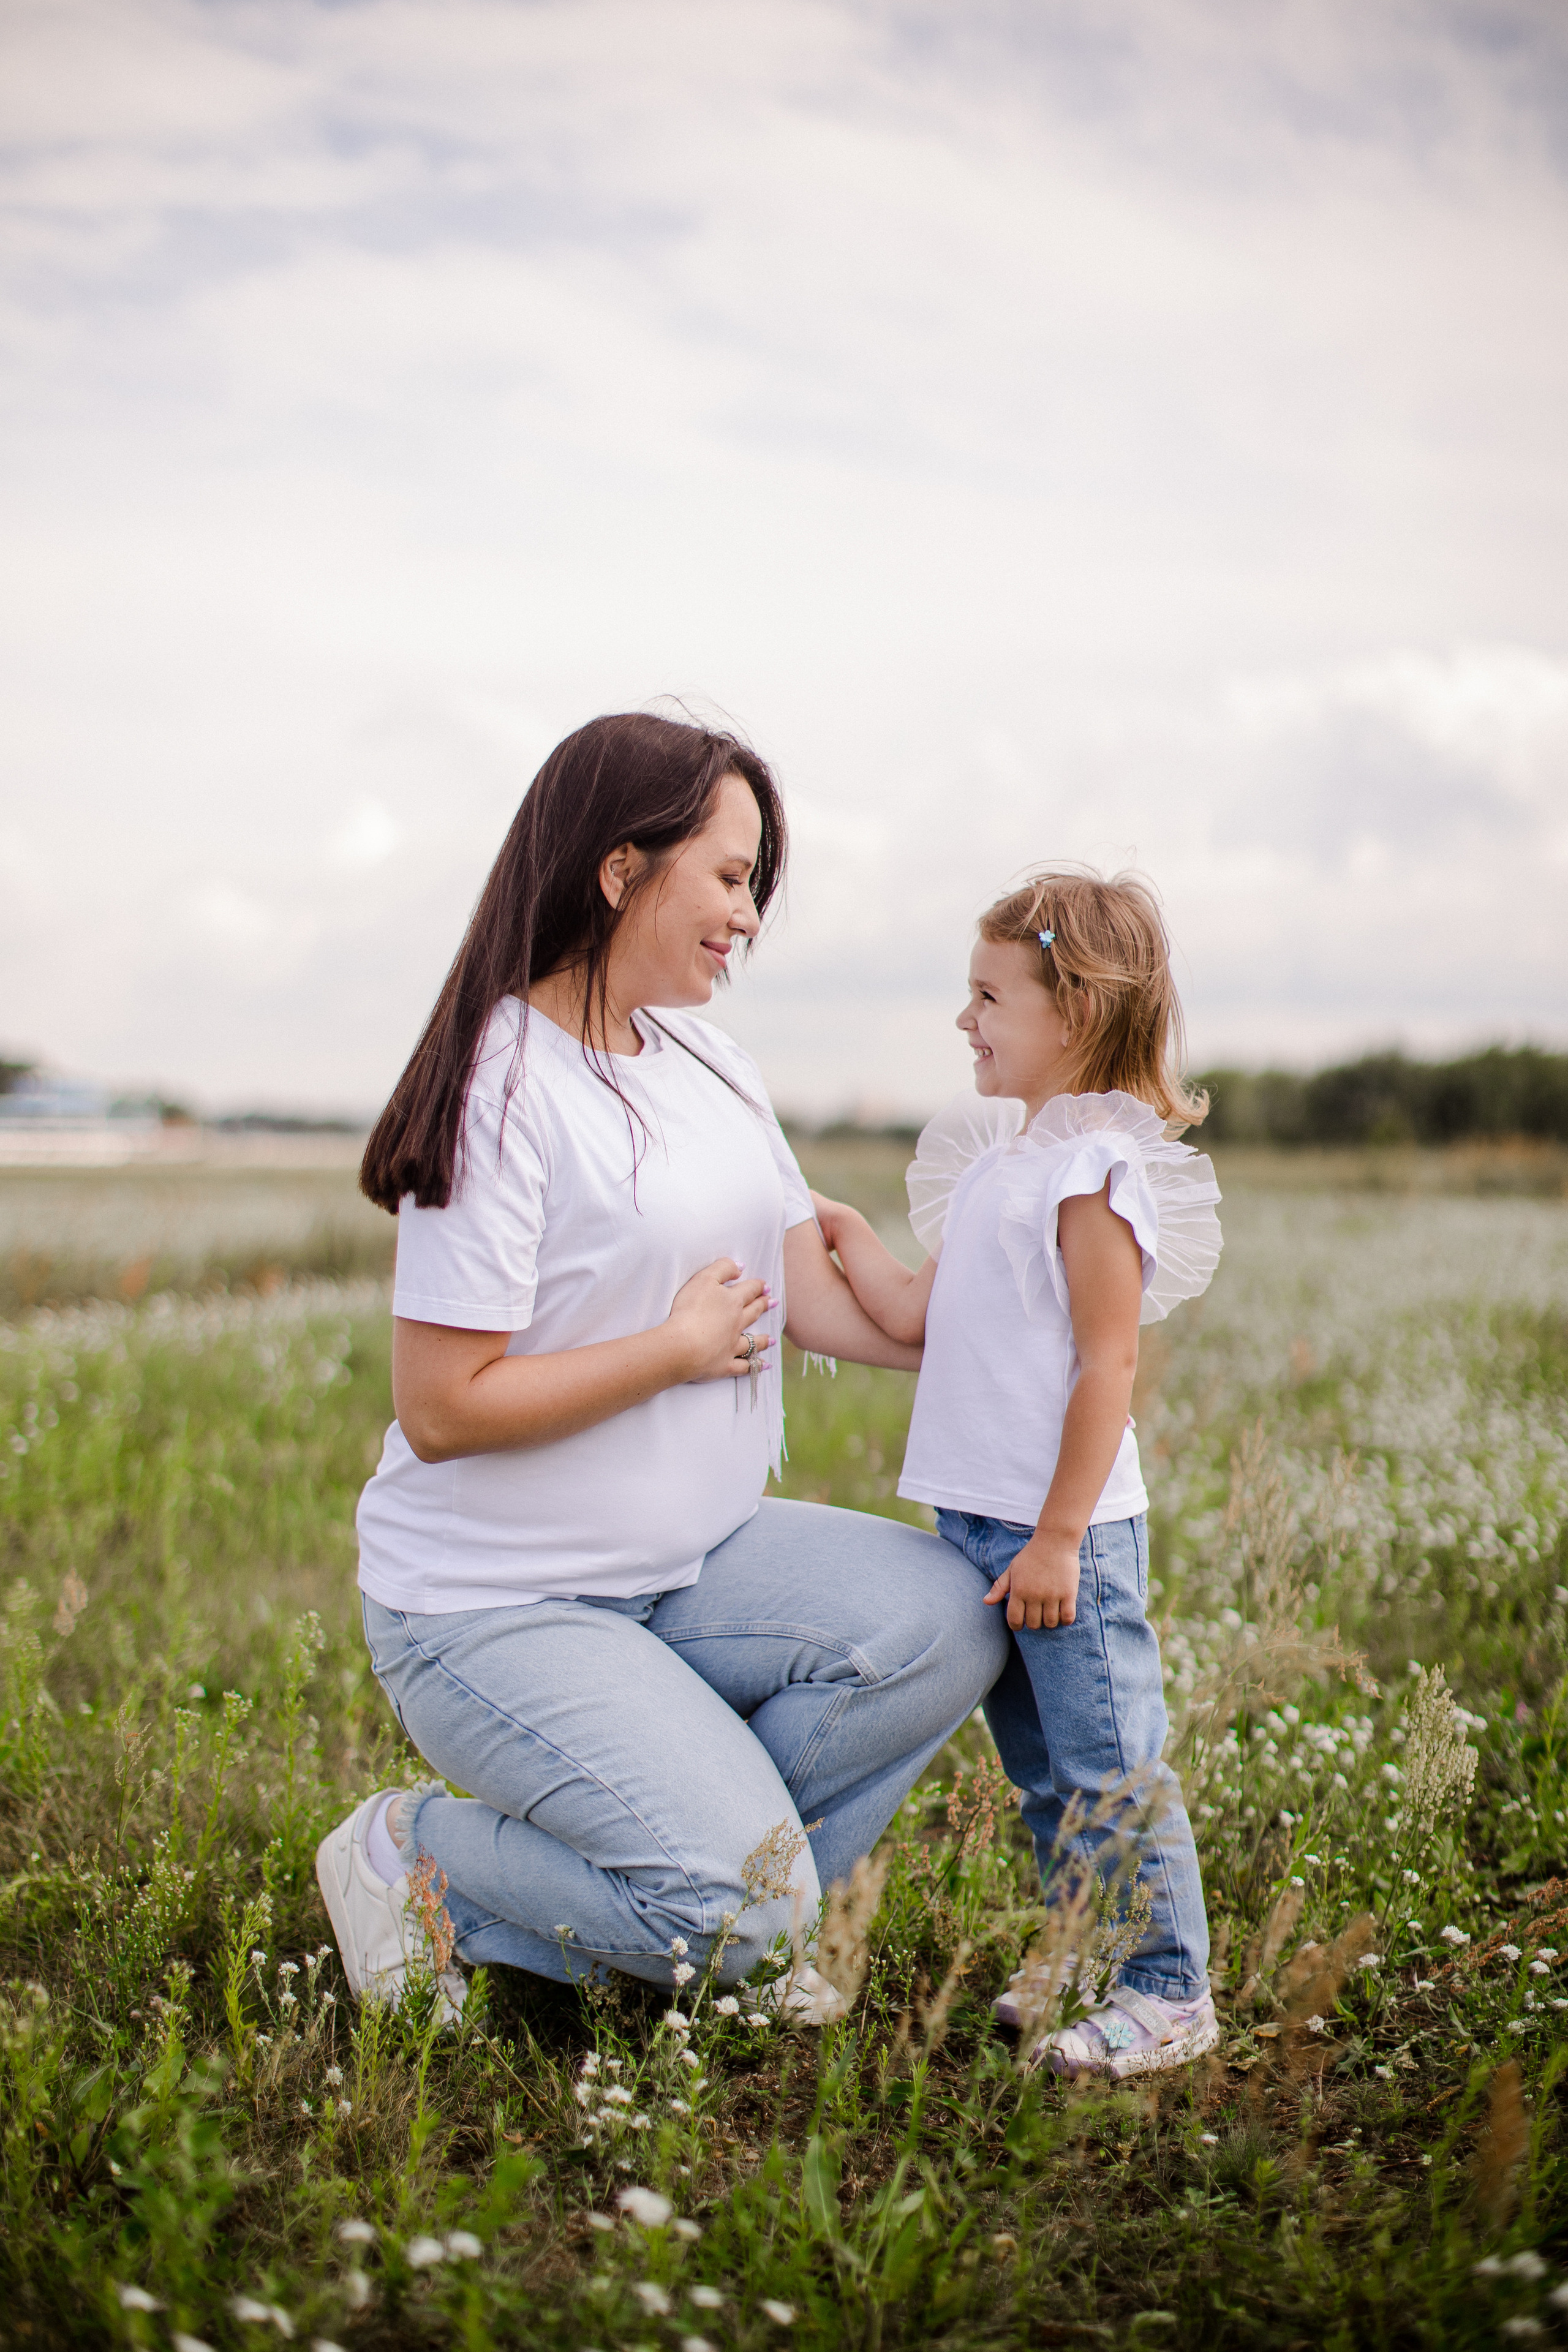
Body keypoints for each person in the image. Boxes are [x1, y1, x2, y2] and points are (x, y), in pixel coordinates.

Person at [315, 712, 1008, 2024]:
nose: (746, 917)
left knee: (945, 1619)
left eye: (754, 885)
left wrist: (1026, 1315)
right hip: (497, 1607)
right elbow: (441, 1407)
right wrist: (671, 1353)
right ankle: (418, 1853)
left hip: (687, 1568)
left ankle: (701, 1912)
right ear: (619, 867)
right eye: (730, 878)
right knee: (741, 1909)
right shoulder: (500, 1083)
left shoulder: (707, 1059)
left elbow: (811, 1294)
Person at [809, 869, 1223, 2076]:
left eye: (988, 996)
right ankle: (1091, 1950)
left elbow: (1107, 1366)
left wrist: (1053, 1537)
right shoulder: (997, 1162)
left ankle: (1167, 1987)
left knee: (1109, 1768)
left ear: (1077, 1008)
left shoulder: (1091, 1175)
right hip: (981, 1528)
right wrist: (830, 1233)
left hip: (1064, 1538)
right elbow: (910, 1315)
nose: (964, 1021)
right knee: (1044, 1774)